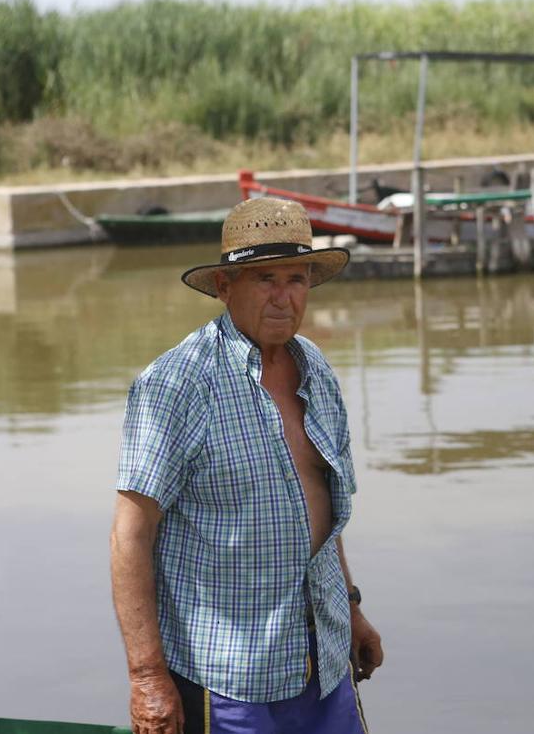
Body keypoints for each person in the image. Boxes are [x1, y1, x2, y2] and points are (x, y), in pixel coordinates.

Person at [110, 197, 383, 734]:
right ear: (225, 287)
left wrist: (350, 607)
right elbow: (129, 535)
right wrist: (146, 677)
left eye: (296, 279)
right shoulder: (178, 383)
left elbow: (318, 506)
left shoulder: (316, 369)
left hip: (322, 659)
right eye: (264, 279)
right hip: (230, 674)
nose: (284, 298)